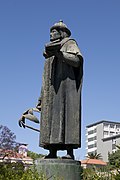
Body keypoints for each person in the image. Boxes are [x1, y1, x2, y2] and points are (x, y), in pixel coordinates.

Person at [37, 20, 83, 159]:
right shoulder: (49, 51)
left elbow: (76, 61)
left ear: (61, 33)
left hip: (66, 88)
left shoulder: (69, 43)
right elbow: (46, 77)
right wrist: (41, 97)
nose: (51, 34)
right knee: (50, 119)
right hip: (51, 91)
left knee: (67, 116)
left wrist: (59, 54)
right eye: (50, 31)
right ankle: (52, 150)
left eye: (54, 31)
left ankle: (70, 152)